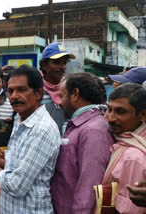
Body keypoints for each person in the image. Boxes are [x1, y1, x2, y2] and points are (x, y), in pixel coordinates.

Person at [0, 65, 61, 213]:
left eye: (21, 90)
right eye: (10, 91)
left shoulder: (42, 129)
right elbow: (12, 166)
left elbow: (16, 185)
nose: (14, 96)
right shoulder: (19, 119)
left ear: (38, 93)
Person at [51, 72, 114, 214]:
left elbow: (89, 187)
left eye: (62, 96)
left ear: (75, 94)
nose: (59, 103)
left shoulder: (93, 130)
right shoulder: (82, 126)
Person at [103, 83, 146, 213]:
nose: (111, 118)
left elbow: (130, 210)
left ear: (143, 115)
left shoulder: (132, 157)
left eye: (121, 112)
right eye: (109, 109)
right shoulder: (129, 140)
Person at [40, 42, 76, 135]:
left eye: (64, 62)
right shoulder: (34, 89)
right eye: (56, 62)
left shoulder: (70, 89)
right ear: (44, 65)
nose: (62, 67)